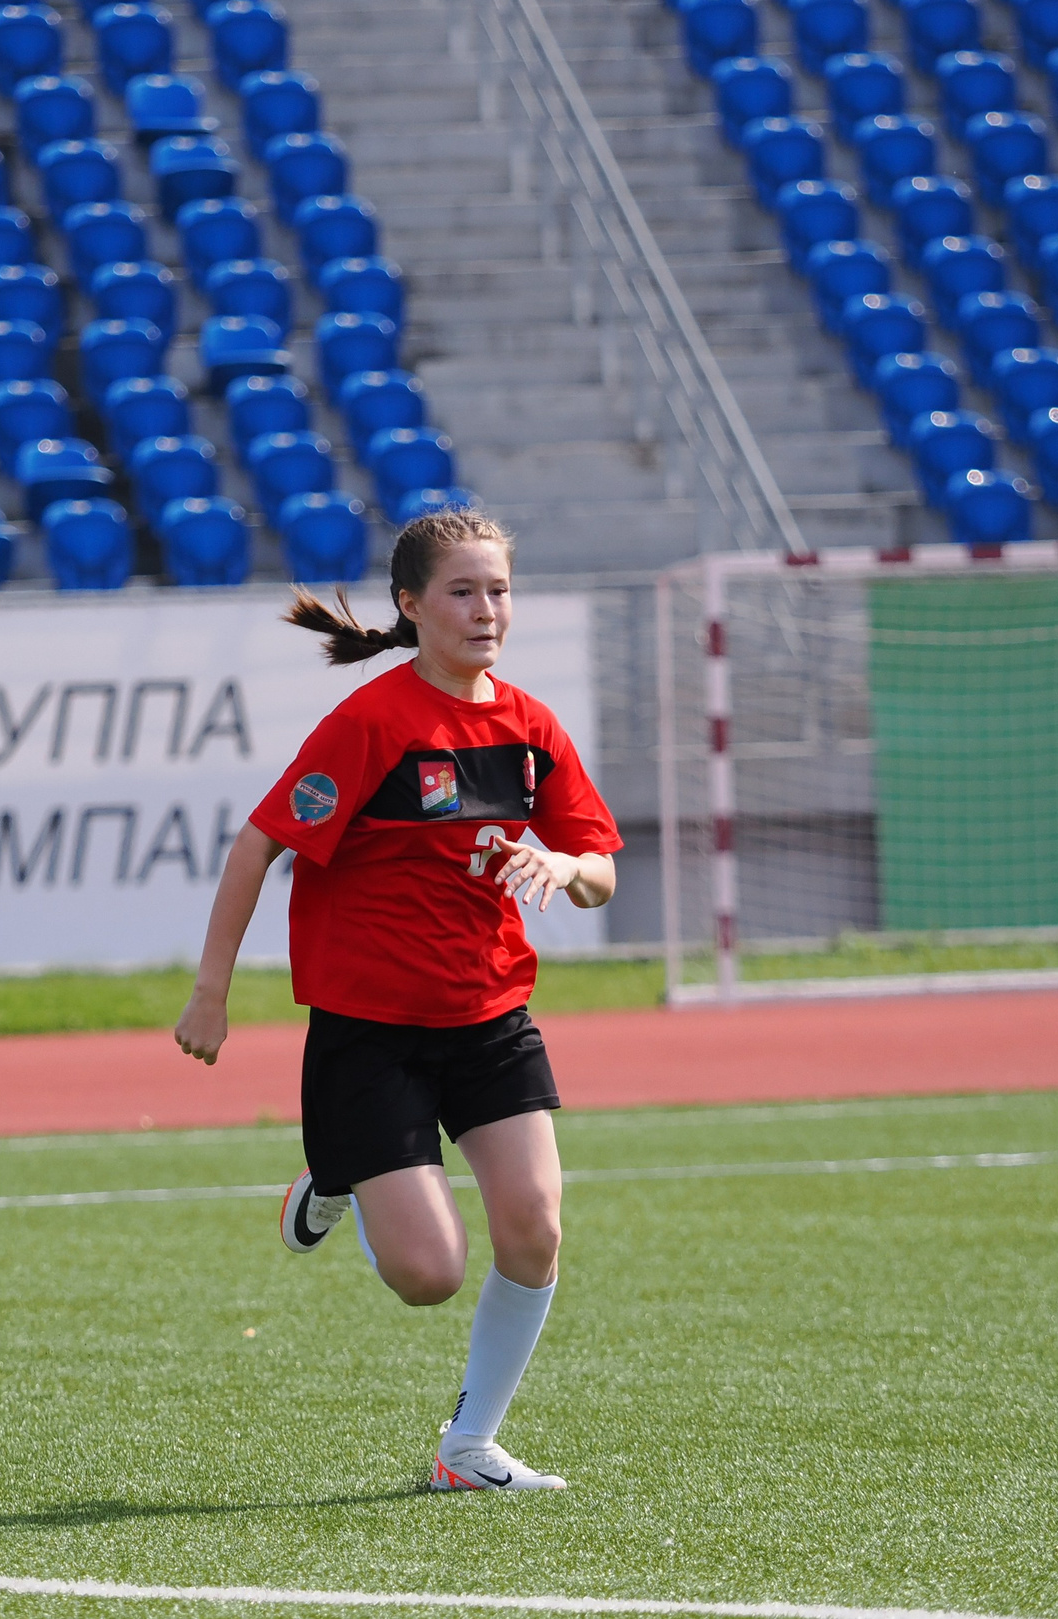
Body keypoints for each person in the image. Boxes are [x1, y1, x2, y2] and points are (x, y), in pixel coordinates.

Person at [173, 508, 620, 1494]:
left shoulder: (532, 727)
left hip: (490, 1019)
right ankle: (336, 1170)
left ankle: (468, 1449)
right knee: (428, 1276)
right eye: (463, 592)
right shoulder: (372, 722)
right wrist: (212, 991)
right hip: (370, 1033)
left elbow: (599, 871)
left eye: (498, 590)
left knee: (537, 1228)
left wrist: (563, 865)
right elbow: (259, 843)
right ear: (412, 606)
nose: (486, 609)